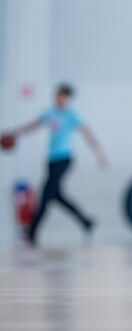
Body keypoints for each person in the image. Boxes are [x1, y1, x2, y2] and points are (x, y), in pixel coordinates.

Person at [1, 83, 108, 245]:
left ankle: (31, 232)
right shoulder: (49, 113)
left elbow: (87, 134)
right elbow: (32, 126)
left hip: (65, 159)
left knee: (46, 194)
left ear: (68, 98)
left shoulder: (72, 115)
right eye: (59, 95)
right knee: (56, 195)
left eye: (64, 96)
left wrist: (99, 154)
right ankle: (86, 222)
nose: (60, 99)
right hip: (51, 160)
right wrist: (14, 132)